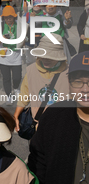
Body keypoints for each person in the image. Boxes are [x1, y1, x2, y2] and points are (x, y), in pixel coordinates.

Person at [27, 51, 89, 183]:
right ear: (69, 82)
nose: (85, 89)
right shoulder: (55, 115)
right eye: (78, 81)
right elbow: (38, 161)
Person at [13, 34, 69, 131]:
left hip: (62, 127)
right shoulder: (31, 71)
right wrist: (15, 116)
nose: (45, 59)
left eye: (50, 57)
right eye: (42, 56)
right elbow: (24, 97)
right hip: (37, 127)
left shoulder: (69, 73)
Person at [0, 6, 24, 104]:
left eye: (10, 17)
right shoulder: (0, 26)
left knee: (17, 77)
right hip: (4, 57)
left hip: (16, 56)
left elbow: (24, 37)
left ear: (14, 17)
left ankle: (16, 88)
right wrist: (2, 38)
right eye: (6, 17)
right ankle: (9, 96)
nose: (8, 19)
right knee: (6, 78)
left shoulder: (19, 25)